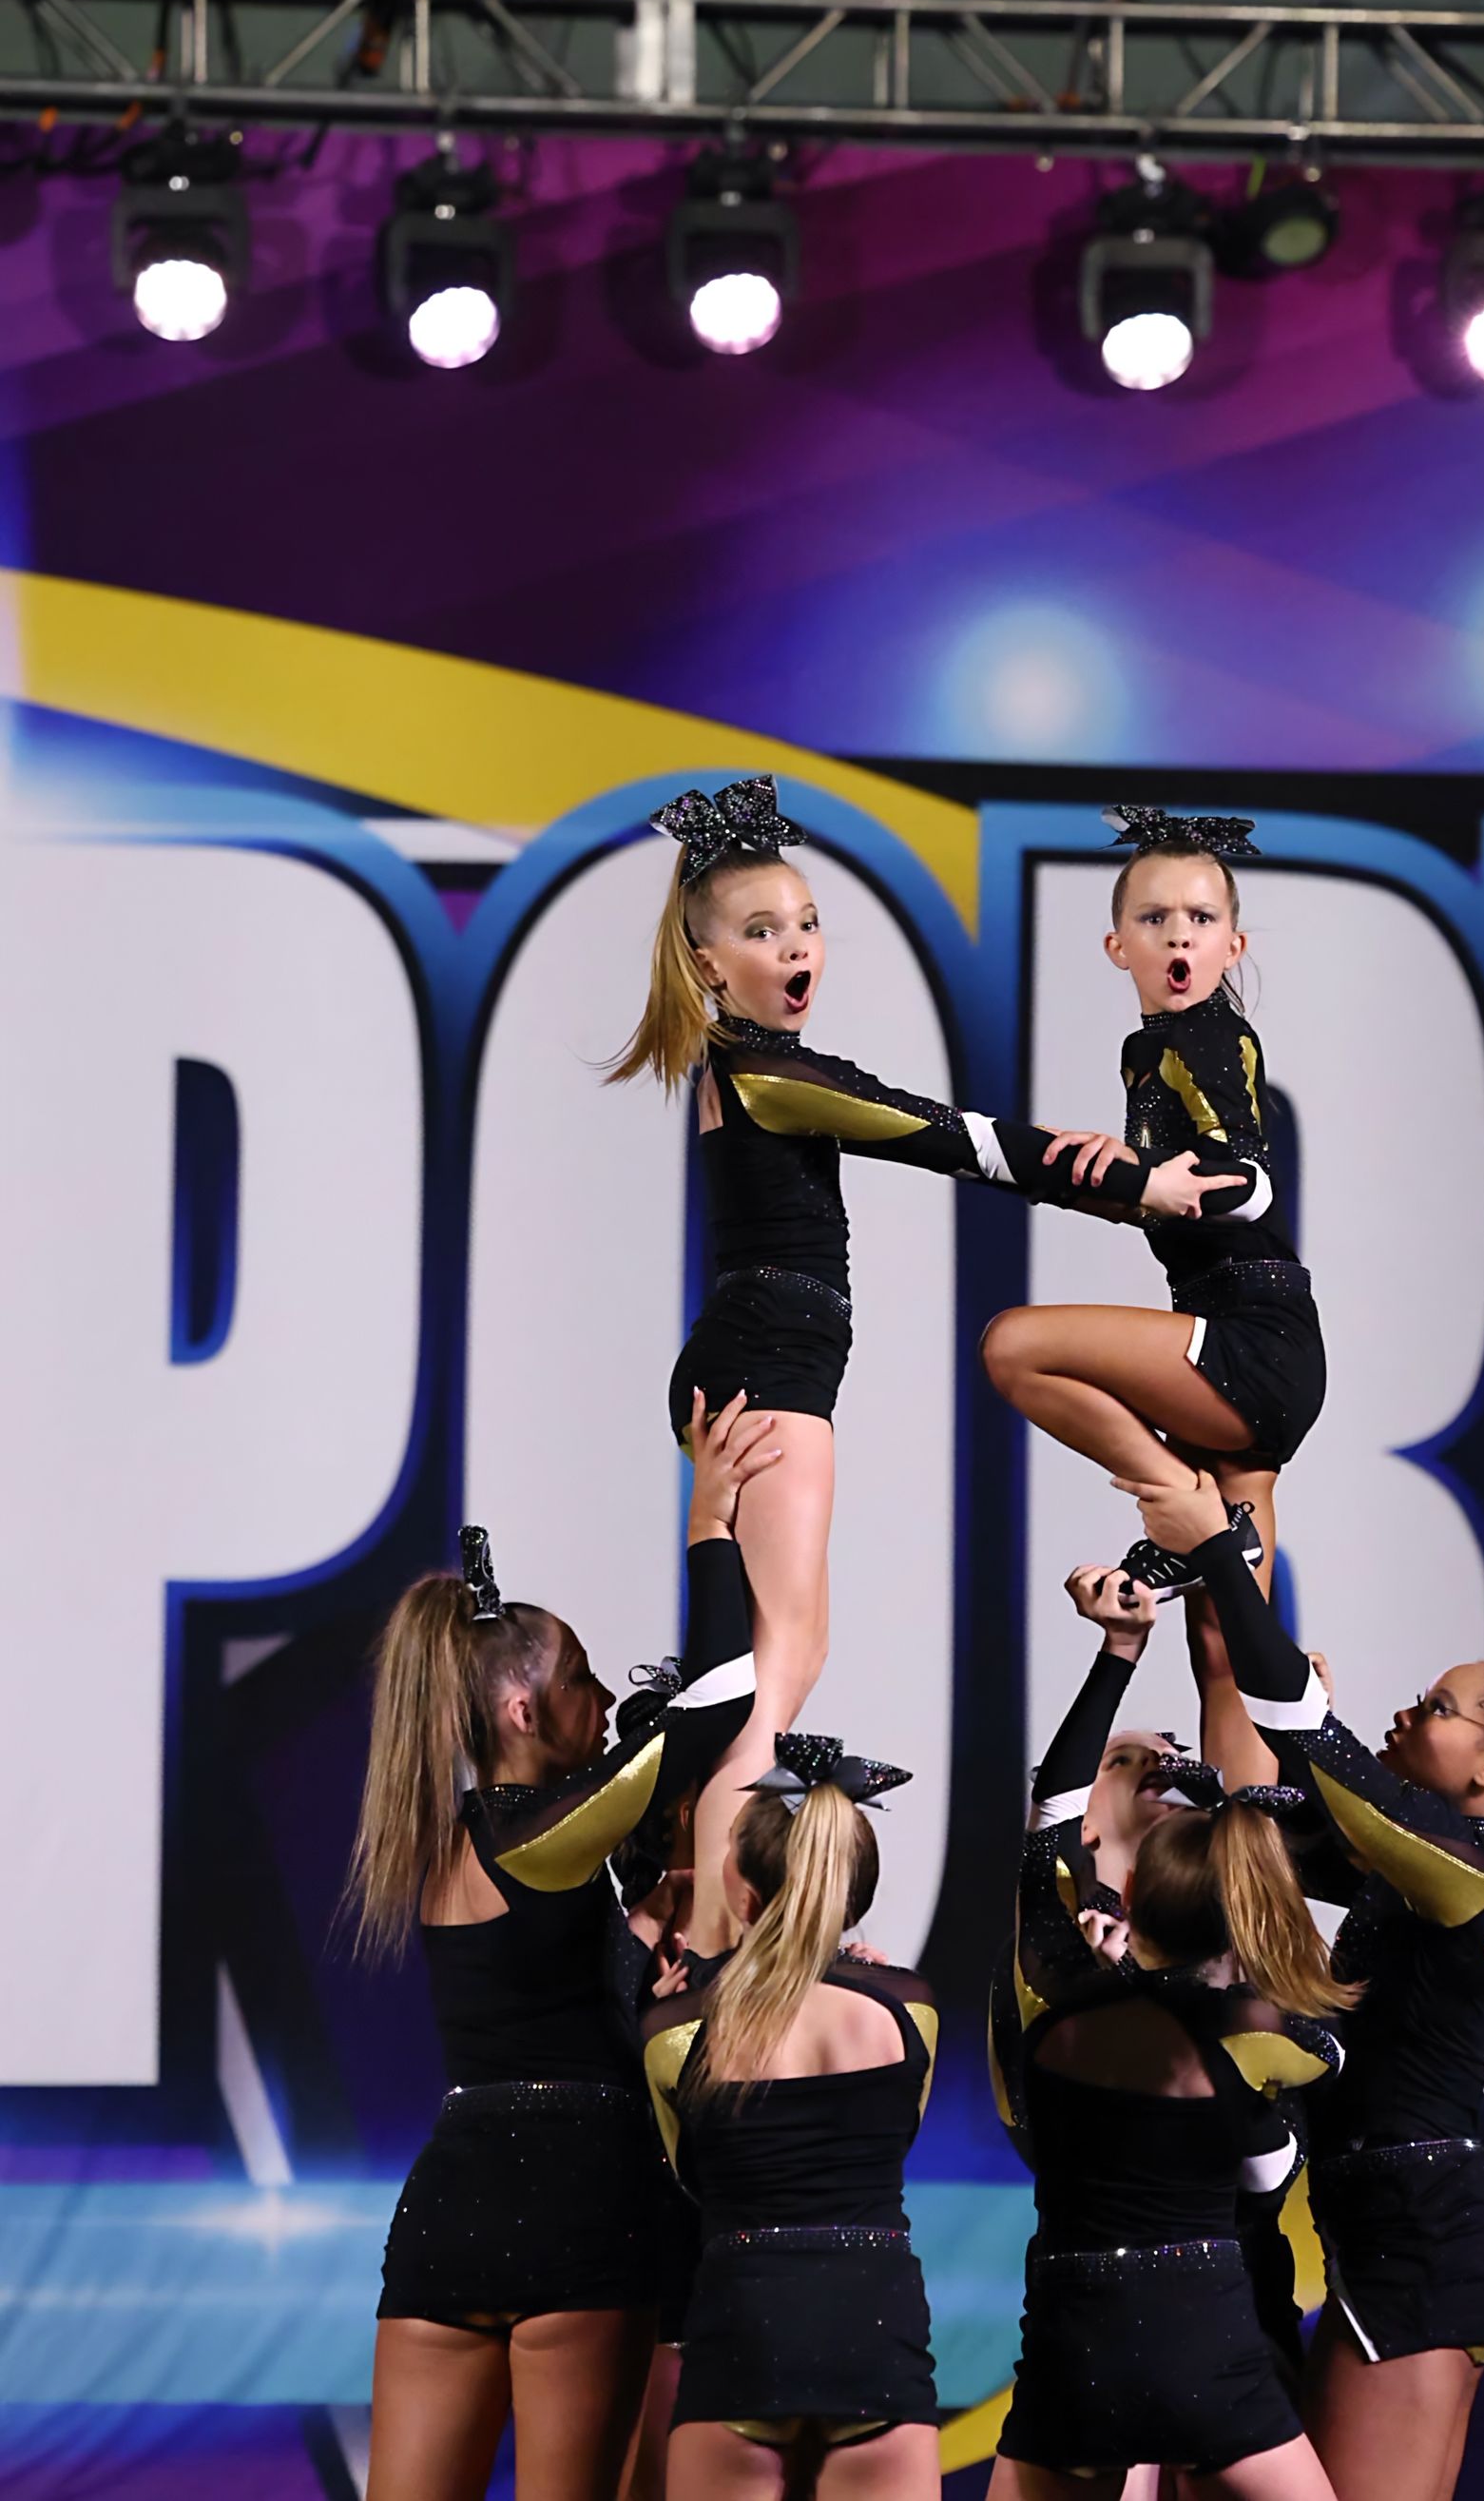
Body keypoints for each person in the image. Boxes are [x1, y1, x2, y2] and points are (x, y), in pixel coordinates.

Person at [610, 774, 1229, 1952]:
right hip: (767, 1362)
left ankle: (698, 1908)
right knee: (780, 1659)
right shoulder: (766, 1072)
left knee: (780, 1650)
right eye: (760, 930)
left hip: (768, 1355)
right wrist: (1133, 1183)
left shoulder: (755, 1067)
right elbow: (950, 1136)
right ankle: (700, 1933)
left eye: (804, 923)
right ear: (704, 965)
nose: (796, 947)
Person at [1118, 1474, 1484, 2501]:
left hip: (1423, 2250)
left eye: (1441, 1708)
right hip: (1391, 2237)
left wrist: (1225, 1563)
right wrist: (1218, 1565)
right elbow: (1263, 1795)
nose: (1413, 1706)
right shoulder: (1411, 1866)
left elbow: (1322, 1755)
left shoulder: (1477, 1873)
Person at [348, 1393, 774, 2501]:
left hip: (448, 2204)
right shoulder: (543, 1837)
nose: (603, 1703)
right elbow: (720, 1701)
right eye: (584, 1678)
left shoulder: (440, 1833)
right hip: (577, 2204)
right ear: (527, 1708)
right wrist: (710, 1518)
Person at [992, 1565, 1354, 2500]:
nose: (1161, 1765)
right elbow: (1048, 1830)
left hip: (1222, 2290)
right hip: (1158, 2291)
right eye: (1126, 1760)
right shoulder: (1058, 1964)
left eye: (1176, 1756)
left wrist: (1296, 1734)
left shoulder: (1215, 1973)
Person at [981, 805, 1324, 1748]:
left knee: (1015, 1348)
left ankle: (1187, 1516)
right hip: (1253, 1338)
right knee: (1233, 1660)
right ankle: (1245, 1877)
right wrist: (1106, 1181)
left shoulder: (1204, 1037)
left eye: (1202, 919)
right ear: (1115, 944)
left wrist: (1147, 1179)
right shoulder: (1155, 1046)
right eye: (1155, 918)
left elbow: (1245, 1180)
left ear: (1234, 941)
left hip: (1251, 1338)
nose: (1179, 934)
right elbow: (1164, 1197)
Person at [643, 1732, 941, 2497]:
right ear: (856, 1893)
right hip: (876, 2328)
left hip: (743, 2326)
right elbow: (896, 2134)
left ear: (741, 1892)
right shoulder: (912, 2009)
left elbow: (689, 2176)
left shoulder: (673, 2030)